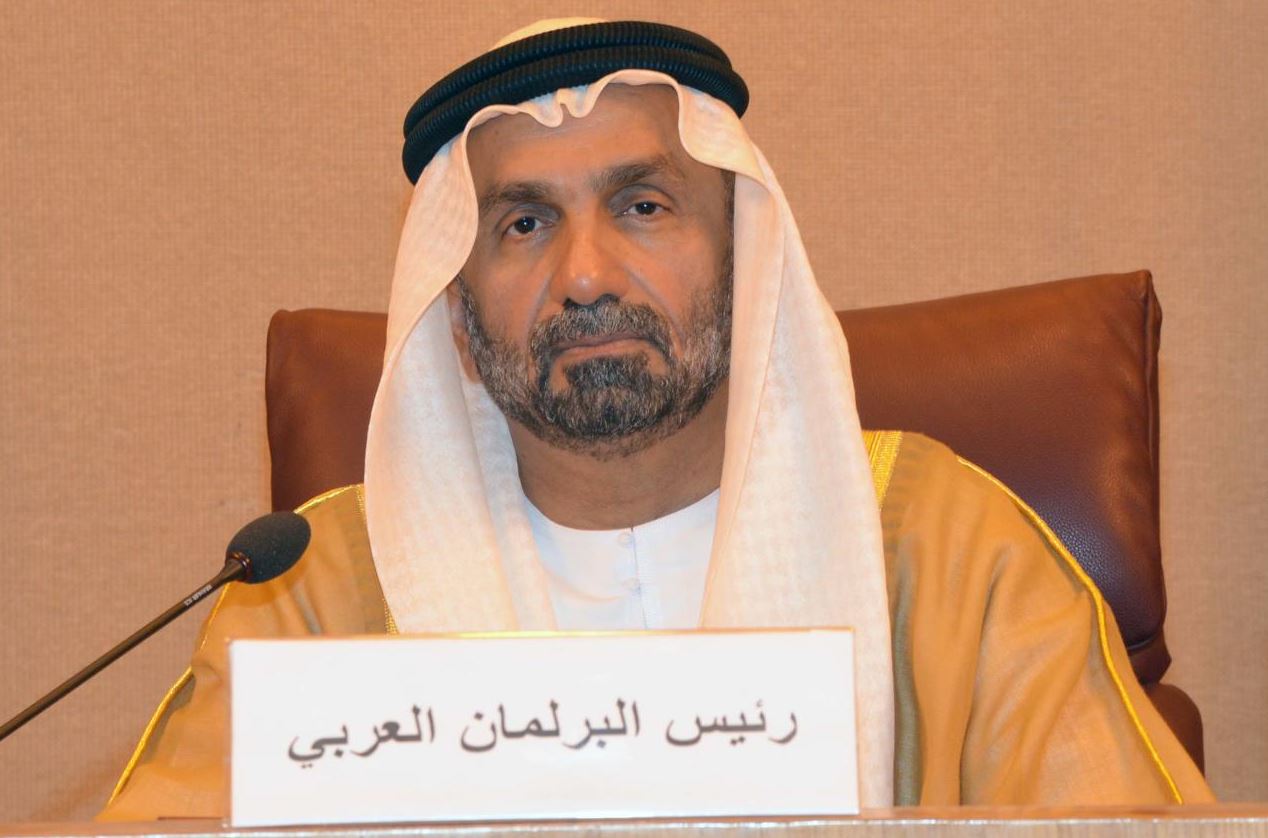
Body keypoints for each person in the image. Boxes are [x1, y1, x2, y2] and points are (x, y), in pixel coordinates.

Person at [99, 19, 1212, 819]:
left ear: (746, 266)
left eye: (642, 205)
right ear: (456, 316)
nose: (585, 276)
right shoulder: (314, 594)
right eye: (524, 224)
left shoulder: (947, 548)